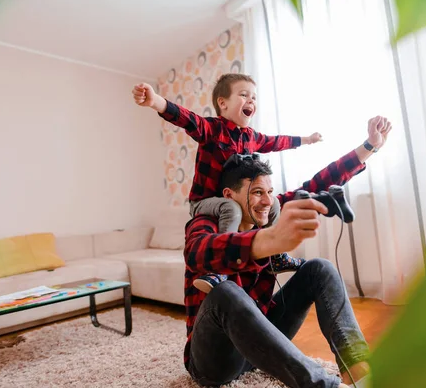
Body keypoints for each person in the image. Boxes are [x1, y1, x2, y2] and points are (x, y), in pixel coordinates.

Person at [183, 115, 392, 388]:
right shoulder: (205, 222)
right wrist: (268, 240)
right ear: (229, 196)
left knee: (320, 269)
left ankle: (361, 373)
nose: (267, 201)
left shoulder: (271, 210)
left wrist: (369, 146)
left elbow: (318, 184)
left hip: (258, 344)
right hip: (214, 363)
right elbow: (198, 252)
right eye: (257, 192)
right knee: (225, 292)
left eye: (270, 191)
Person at [132, 74, 322, 293]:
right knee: (230, 207)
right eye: (243, 95)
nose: (251, 101)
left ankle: (276, 259)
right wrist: (155, 101)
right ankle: (220, 268)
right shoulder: (212, 130)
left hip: (232, 197)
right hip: (205, 202)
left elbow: (276, 142)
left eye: (254, 97)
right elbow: (186, 118)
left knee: (275, 204)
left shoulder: (251, 137)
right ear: (223, 103)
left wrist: (306, 140)